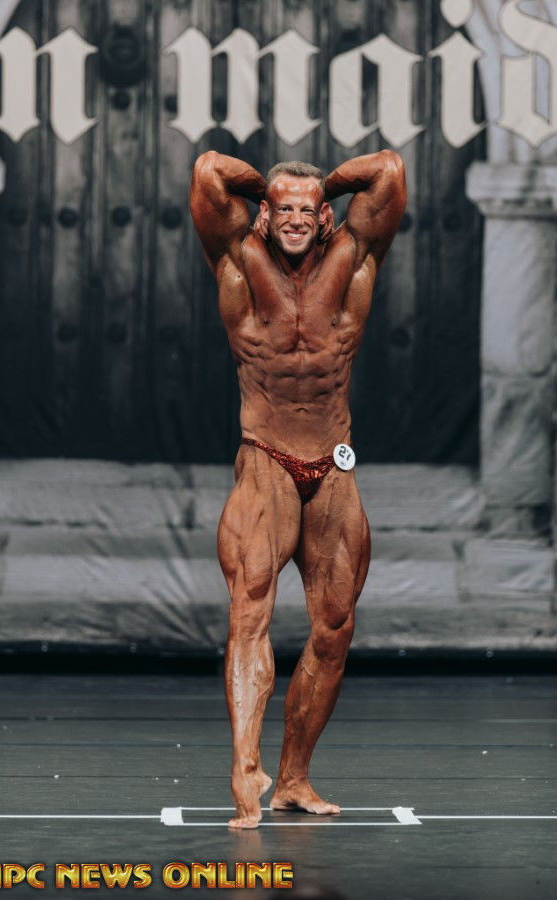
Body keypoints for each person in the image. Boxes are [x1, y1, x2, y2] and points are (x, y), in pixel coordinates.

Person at [190, 149, 406, 828]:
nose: (292, 219)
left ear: (324, 218)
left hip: (333, 467)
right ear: (266, 212)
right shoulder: (239, 259)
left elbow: (389, 171)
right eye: (281, 209)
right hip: (267, 459)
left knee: (335, 628)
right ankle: (244, 768)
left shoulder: (353, 260)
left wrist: (322, 188)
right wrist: (269, 189)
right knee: (249, 612)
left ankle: (293, 779)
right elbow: (208, 171)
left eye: (305, 211)